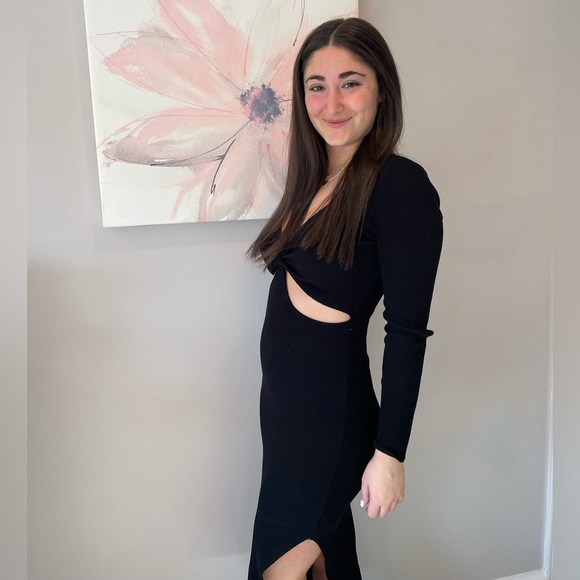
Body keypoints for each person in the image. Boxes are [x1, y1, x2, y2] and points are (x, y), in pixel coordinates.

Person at [246, 17, 443, 580]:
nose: (331, 103)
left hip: (328, 422)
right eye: (317, 85)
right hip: (285, 418)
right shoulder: (312, 178)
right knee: (326, 565)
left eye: (350, 83)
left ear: (382, 89)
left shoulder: (399, 186)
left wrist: (390, 453)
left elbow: (407, 332)